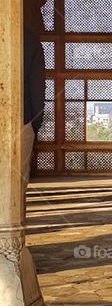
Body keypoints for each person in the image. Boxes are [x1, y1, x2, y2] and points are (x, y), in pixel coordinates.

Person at [23, 25, 46, 188]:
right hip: (22, 121)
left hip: (24, 120)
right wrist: (34, 124)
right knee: (17, 181)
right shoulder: (29, 40)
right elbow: (36, 87)